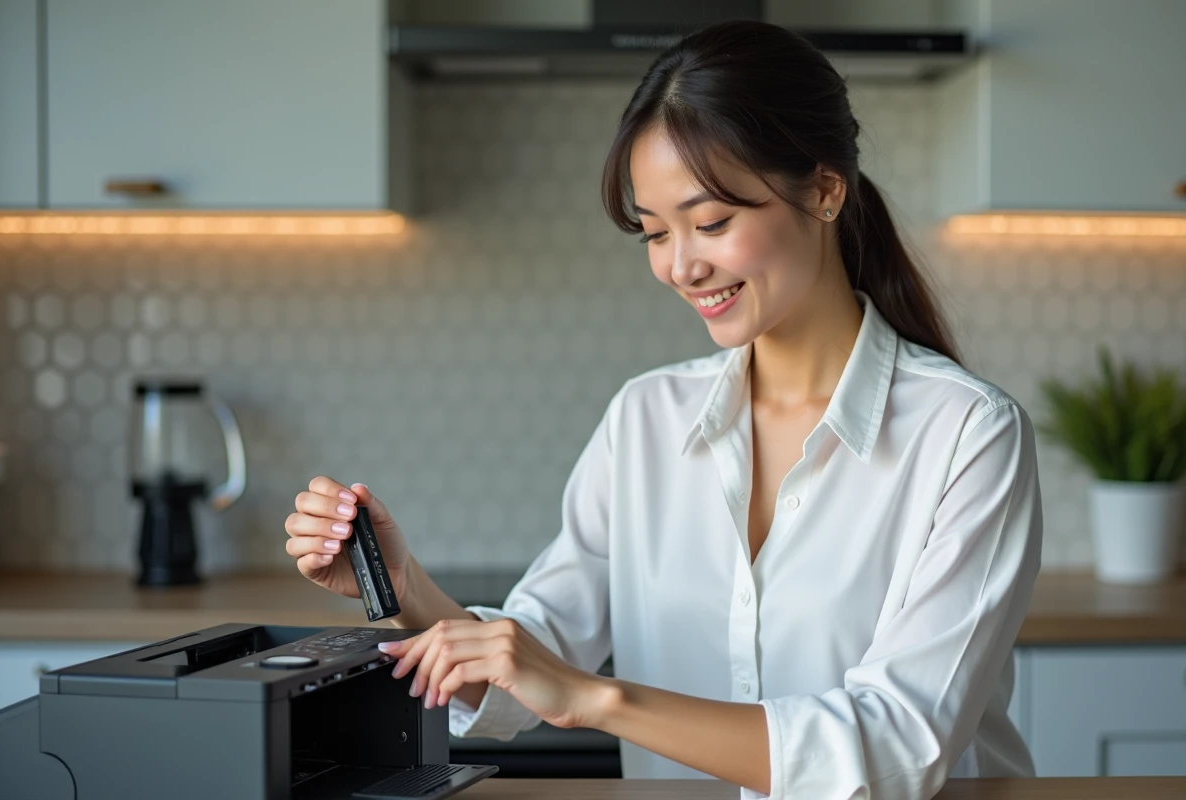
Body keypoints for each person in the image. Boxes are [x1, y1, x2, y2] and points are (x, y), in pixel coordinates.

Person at [284, 20, 1043, 800]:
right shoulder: (645, 418)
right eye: (653, 233)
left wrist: (598, 698)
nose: (681, 265)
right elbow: (534, 657)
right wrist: (407, 590)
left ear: (823, 190)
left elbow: (895, 746)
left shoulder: (966, 434)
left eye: (712, 222)